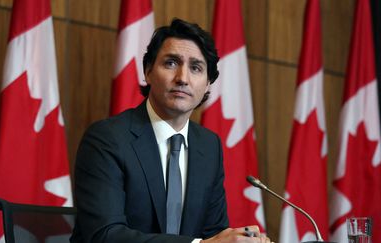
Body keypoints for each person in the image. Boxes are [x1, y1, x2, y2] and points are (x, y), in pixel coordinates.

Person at [71, 18, 272, 243]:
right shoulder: (107, 139)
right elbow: (104, 235)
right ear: (148, 72)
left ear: (207, 84)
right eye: (171, 63)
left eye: (196, 68)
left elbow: (214, 233)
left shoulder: (208, 146)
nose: (183, 78)